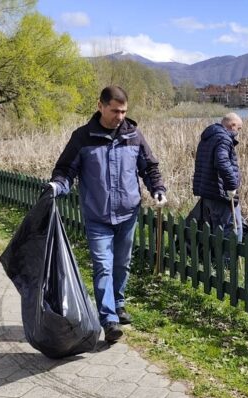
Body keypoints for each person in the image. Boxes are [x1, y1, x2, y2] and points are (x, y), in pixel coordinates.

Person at [46, 86, 167, 343]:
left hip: (127, 214)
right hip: (97, 215)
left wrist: (157, 188)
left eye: (123, 111)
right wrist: (58, 186)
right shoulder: (82, 137)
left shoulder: (133, 135)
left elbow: (150, 167)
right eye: (115, 110)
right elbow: (66, 170)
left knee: (122, 264)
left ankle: (119, 303)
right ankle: (109, 320)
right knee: (103, 266)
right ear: (100, 106)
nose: (120, 116)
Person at [192, 112, 246, 244]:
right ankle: (228, 263)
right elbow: (222, 162)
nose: (238, 132)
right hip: (219, 193)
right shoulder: (223, 139)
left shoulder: (208, 137)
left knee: (216, 229)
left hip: (208, 191)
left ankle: (216, 261)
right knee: (234, 229)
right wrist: (231, 186)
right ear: (232, 125)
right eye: (238, 128)